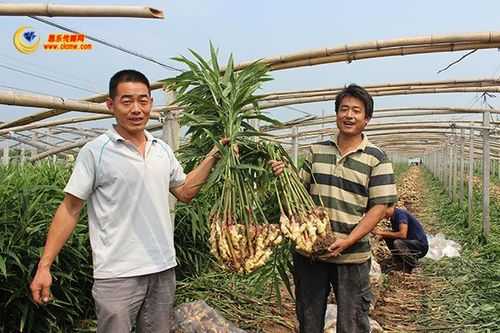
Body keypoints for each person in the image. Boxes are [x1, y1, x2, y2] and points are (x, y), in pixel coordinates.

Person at [30, 69, 224, 333]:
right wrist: (45, 266)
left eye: (143, 101)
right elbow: (70, 208)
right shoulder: (96, 152)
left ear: (151, 104)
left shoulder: (162, 149)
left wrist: (214, 155)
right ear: (111, 105)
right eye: (127, 101)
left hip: (162, 269)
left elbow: (185, 192)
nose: (136, 109)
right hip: (117, 274)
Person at [271, 84, 397, 333]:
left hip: (352, 256)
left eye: (356, 111)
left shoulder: (377, 158)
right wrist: (283, 176)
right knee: (308, 318)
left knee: (352, 322)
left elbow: (379, 207)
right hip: (310, 253)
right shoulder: (316, 151)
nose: (349, 115)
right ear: (337, 114)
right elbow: (298, 194)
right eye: (344, 109)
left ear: (367, 119)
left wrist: (348, 240)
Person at [372, 204, 428, 273]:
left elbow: (402, 234)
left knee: (398, 242)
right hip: (410, 243)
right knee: (388, 236)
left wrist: (381, 232)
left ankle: (413, 265)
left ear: (390, 208)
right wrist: (383, 235)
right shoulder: (393, 218)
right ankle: (399, 261)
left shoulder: (400, 214)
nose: (383, 215)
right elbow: (395, 233)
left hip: (420, 246)